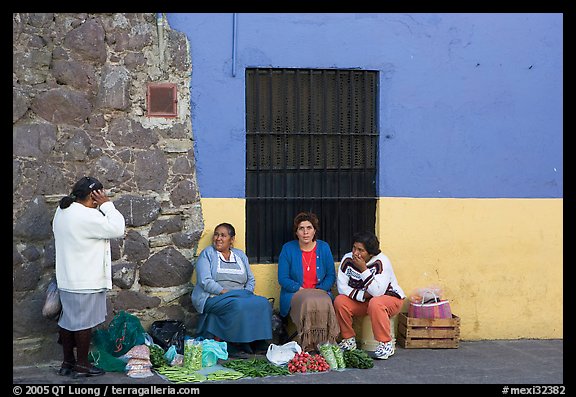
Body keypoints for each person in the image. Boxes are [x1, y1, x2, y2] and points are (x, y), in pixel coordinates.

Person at [52, 176, 126, 377]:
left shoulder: (62, 211)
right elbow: (118, 228)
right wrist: (107, 205)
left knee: (68, 322)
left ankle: (67, 362)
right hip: (84, 280)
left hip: (67, 278)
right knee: (83, 324)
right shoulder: (88, 216)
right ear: (94, 197)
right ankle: (82, 365)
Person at [191, 223, 272, 357]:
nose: (218, 238)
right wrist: (224, 292)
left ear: (231, 239)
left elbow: (250, 279)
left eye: (223, 235)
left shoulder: (240, 255)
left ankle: (258, 342)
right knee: (237, 306)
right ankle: (235, 344)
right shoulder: (208, 254)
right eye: (216, 234)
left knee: (263, 303)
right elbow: (205, 281)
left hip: (240, 295)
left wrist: (247, 292)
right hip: (212, 297)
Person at [334, 231, 405, 359]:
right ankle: (348, 340)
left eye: (361, 250)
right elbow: (342, 287)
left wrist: (363, 270)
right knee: (340, 301)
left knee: (376, 302)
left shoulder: (382, 262)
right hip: (363, 301)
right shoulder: (347, 259)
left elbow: (378, 292)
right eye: (354, 248)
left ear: (371, 253)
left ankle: (385, 344)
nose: (356, 253)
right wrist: (362, 295)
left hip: (390, 299)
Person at [277, 212, 340, 352]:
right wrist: (300, 290)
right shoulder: (288, 249)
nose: (305, 232)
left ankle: (325, 341)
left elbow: (330, 275)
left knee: (323, 301)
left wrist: (321, 289)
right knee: (308, 301)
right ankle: (309, 342)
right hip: (296, 292)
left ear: (315, 230)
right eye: (301, 228)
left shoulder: (324, 247)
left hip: (320, 291)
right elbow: (283, 278)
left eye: (309, 228)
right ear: (296, 232)